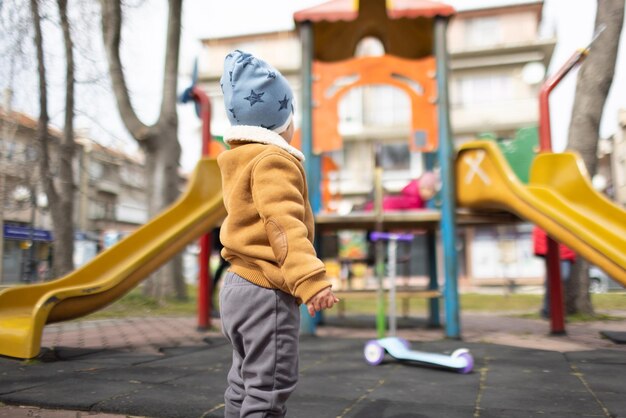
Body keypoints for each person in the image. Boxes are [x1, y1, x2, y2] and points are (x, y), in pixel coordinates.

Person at [217, 50, 339, 417]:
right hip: (264, 291)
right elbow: (283, 225)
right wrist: (311, 279)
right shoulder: (274, 161)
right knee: (270, 386)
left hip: (236, 286)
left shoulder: (240, 160)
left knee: (243, 380)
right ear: (283, 122)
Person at [532, 226, 576, 318]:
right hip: (551, 247)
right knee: (555, 280)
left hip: (564, 249)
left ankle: (551, 310)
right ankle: (549, 310)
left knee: (559, 278)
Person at [362, 170, 439, 211]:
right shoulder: (414, 199)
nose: (431, 195)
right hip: (382, 209)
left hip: (381, 208)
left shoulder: (416, 197)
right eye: (430, 191)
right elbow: (415, 212)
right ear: (423, 188)